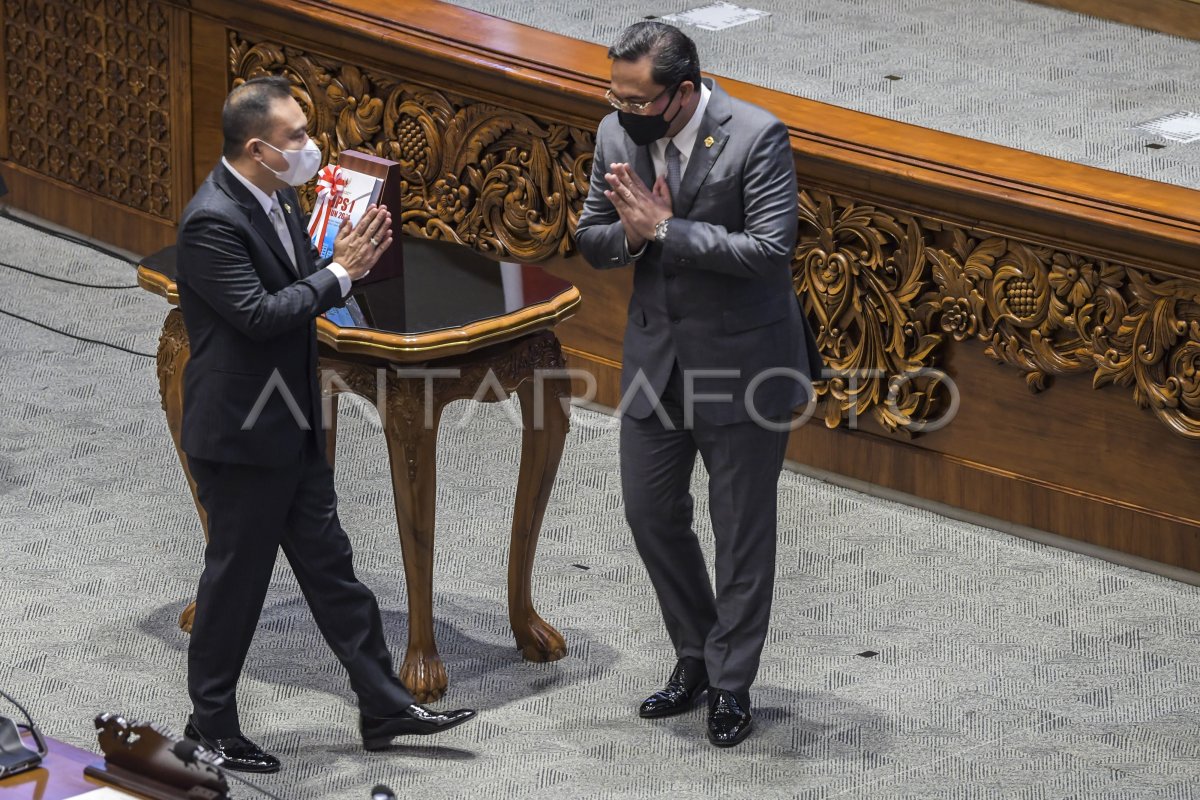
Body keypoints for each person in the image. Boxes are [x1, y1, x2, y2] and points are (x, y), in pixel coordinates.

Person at [174, 76, 474, 772]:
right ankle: (209, 724)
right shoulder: (212, 220)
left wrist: (348, 260)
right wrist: (341, 272)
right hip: (242, 437)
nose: (312, 147)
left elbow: (306, 274)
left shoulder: (276, 194)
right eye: (297, 137)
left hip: (291, 423)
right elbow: (259, 313)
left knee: (333, 570)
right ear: (257, 148)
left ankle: (382, 703)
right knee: (235, 588)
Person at [575, 22, 823, 748]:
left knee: (741, 534)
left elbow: (771, 251)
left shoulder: (757, 137)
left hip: (745, 366)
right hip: (657, 361)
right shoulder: (615, 135)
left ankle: (731, 685)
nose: (621, 108)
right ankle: (697, 655)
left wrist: (665, 230)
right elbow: (592, 235)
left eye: (636, 97)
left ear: (682, 92)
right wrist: (627, 232)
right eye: (613, 92)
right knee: (650, 514)